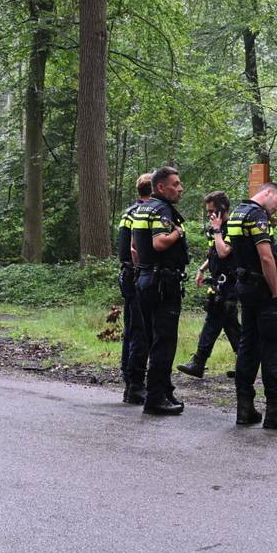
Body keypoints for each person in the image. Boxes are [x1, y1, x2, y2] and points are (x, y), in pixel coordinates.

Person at [228, 182, 277, 430]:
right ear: (267, 193)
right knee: (273, 348)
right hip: (261, 289)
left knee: (248, 345)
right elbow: (266, 257)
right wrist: (274, 293)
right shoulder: (257, 216)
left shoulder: (237, 213)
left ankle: (245, 408)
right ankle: (275, 410)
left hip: (244, 286)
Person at [131, 167, 189, 416]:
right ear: (161, 187)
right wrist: (178, 231)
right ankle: (155, 397)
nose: (180, 188)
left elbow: (135, 246)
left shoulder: (142, 208)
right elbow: (159, 242)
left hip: (145, 279)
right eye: (175, 184)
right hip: (163, 283)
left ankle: (164, 390)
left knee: (153, 337)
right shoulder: (163, 210)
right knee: (164, 341)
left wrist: (143, 272)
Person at [177, 191, 240, 379]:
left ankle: (198, 362)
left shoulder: (232, 227)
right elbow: (213, 251)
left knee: (214, 320)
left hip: (230, 283)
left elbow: (223, 252)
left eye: (212, 211)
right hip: (218, 282)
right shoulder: (216, 228)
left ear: (223, 209)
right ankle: (247, 362)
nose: (210, 215)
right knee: (230, 325)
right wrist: (202, 269)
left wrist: (218, 229)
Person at [117, 173, 154, 404]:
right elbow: (133, 248)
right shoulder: (143, 214)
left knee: (131, 331)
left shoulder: (128, 213)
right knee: (140, 332)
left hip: (128, 275)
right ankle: (136, 384)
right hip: (138, 275)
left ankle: (130, 381)